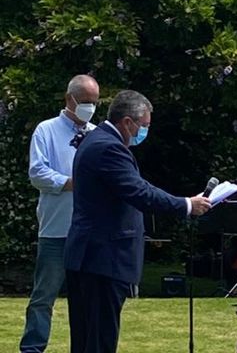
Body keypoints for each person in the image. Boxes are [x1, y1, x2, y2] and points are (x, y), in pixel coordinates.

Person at [63, 90, 211, 353]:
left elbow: (137, 188)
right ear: (128, 122)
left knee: (88, 340)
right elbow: (139, 193)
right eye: (144, 126)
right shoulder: (108, 148)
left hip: (91, 257)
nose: (144, 132)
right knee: (99, 341)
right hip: (102, 259)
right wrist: (186, 205)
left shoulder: (97, 141)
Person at [20, 74, 99, 353]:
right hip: (56, 229)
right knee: (44, 295)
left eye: (94, 102)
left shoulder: (96, 132)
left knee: (88, 298)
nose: (90, 107)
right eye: (85, 101)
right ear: (69, 99)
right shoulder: (46, 130)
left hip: (89, 230)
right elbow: (37, 173)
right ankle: (32, 347)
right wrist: (71, 183)